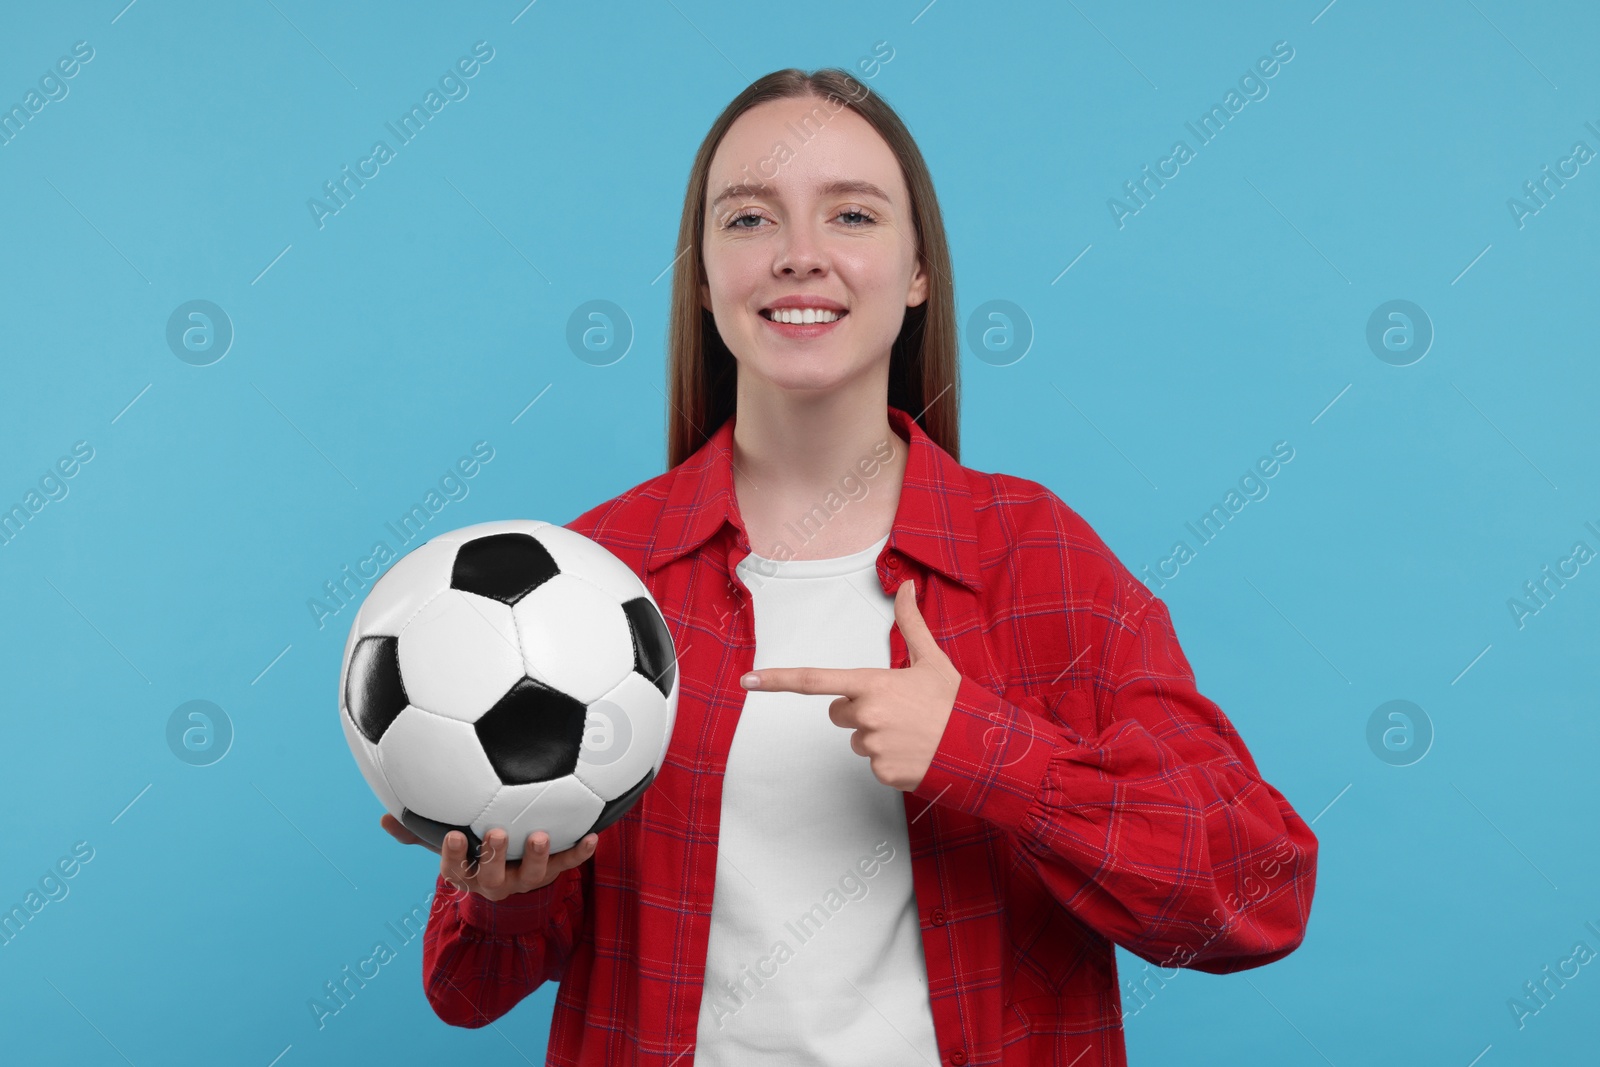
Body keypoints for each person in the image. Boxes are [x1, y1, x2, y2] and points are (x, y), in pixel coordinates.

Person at [385, 67, 1318, 1066]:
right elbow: (468, 989)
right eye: (747, 219)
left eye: (853, 214)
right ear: (701, 276)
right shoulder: (593, 578)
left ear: (918, 270)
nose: (797, 255)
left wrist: (984, 748)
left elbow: (1255, 896)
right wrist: (507, 899)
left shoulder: (1036, 555)